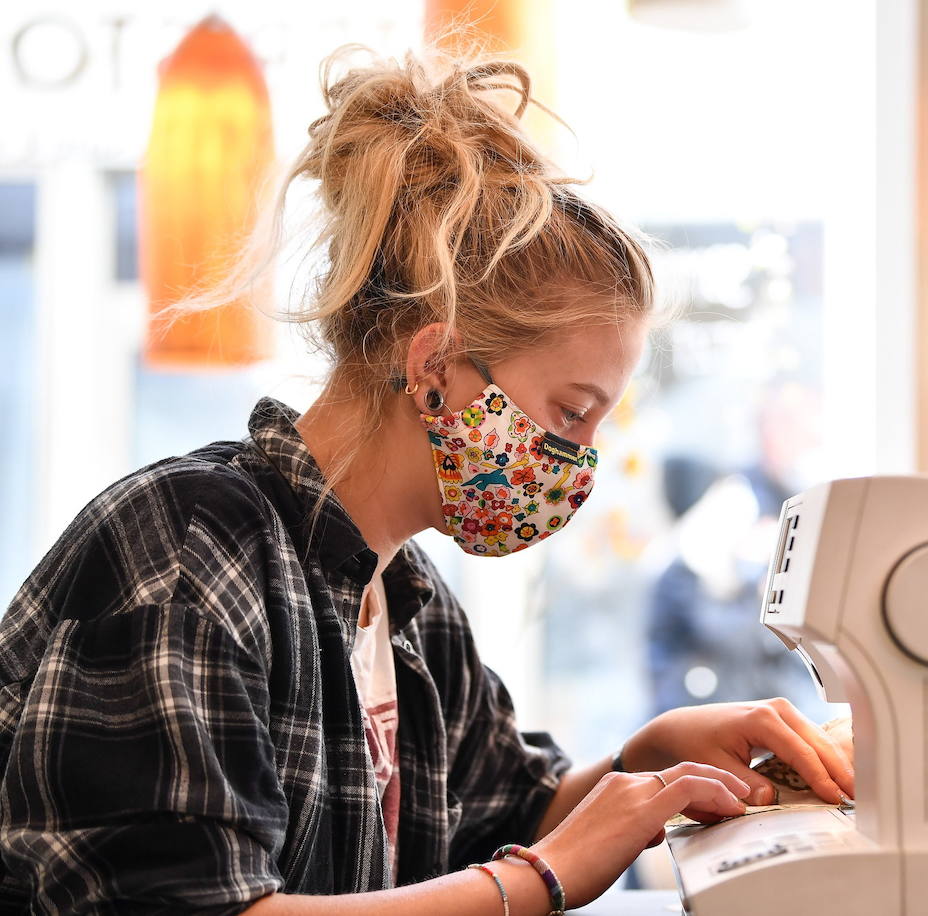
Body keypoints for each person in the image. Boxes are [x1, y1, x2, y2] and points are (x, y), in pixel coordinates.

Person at [0, 46, 853, 915]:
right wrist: (540, 881)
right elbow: (192, 909)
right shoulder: (190, 548)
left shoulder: (407, 597)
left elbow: (507, 818)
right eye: (569, 413)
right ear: (438, 363)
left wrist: (651, 757)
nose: (582, 466)